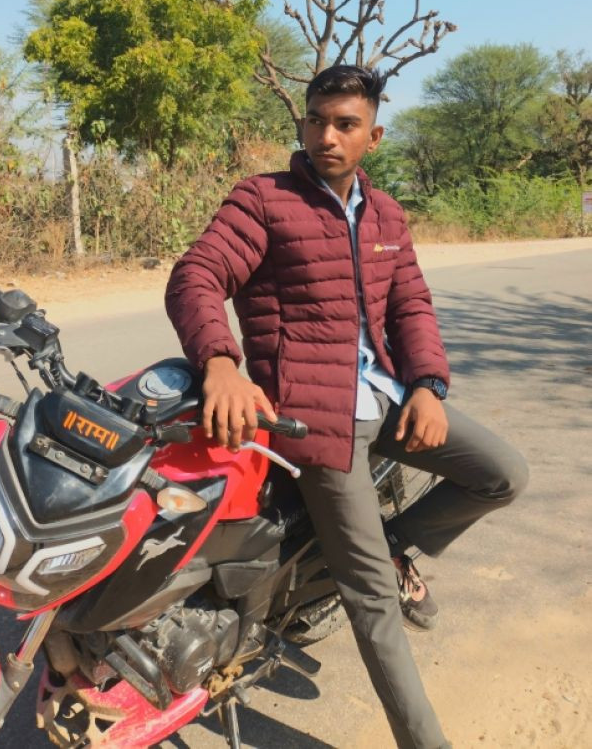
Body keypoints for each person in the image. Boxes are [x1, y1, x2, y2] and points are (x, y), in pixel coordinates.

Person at [165, 64, 528, 749]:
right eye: (316, 120)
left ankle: (390, 544)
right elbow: (197, 275)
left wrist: (429, 386)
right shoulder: (264, 200)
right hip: (312, 420)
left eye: (345, 124)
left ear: (373, 136)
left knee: (503, 474)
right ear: (303, 123)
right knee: (373, 600)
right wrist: (218, 362)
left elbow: (411, 306)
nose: (326, 136)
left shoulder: (387, 214)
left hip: (386, 397)